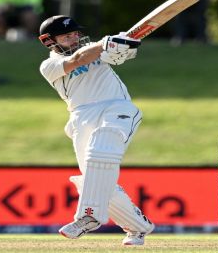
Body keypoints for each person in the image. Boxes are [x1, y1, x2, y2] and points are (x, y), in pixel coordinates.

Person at [38, 15, 154, 245]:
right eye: (66, 36)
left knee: (103, 148)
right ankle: (138, 227)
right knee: (96, 176)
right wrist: (105, 43)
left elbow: (121, 55)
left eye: (75, 34)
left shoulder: (96, 48)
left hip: (117, 106)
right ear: (49, 41)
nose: (74, 39)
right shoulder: (48, 66)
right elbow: (78, 59)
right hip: (82, 116)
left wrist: (122, 45)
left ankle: (88, 217)